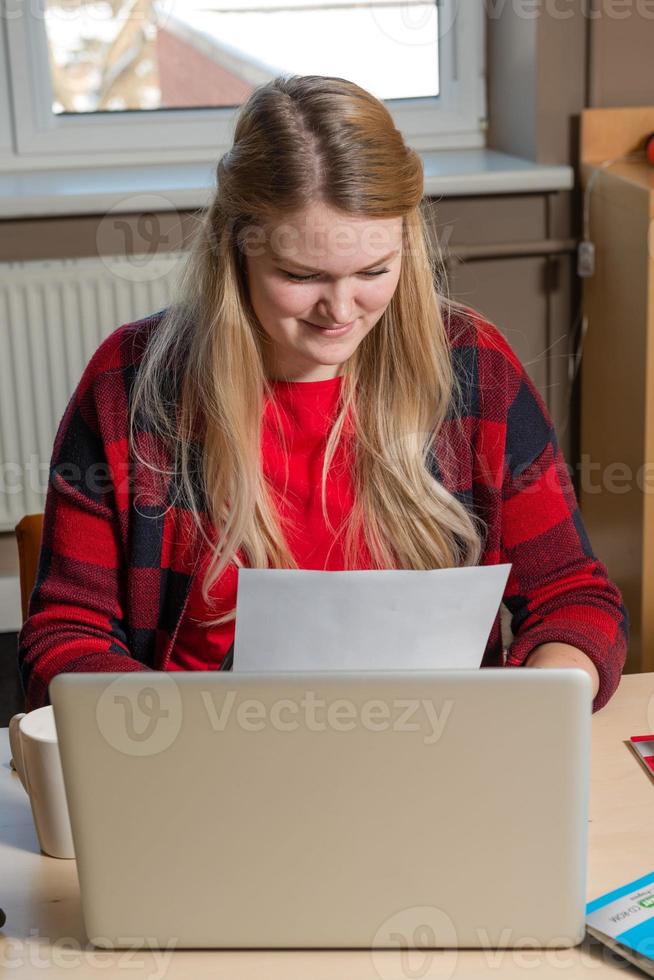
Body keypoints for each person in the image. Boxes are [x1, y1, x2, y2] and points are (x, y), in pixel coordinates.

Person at [18, 74, 628, 713]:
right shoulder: (133, 382)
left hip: (432, 749)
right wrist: (148, 734)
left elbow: (573, 596)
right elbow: (64, 632)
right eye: (300, 275)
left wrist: (547, 692)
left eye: (373, 271)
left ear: (406, 246)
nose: (339, 310)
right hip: (199, 749)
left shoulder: (472, 369)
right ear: (238, 250)